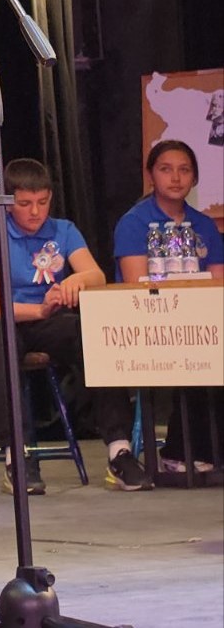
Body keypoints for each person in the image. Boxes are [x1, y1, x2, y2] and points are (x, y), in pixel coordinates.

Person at [0, 158, 150, 494]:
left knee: (92, 331)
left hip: (45, 321)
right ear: (9, 202)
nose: (35, 211)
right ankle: (17, 455)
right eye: (25, 204)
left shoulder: (63, 230)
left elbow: (96, 276)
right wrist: (39, 309)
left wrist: (77, 280)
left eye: (42, 201)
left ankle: (119, 449)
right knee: (0, 337)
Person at [114, 140, 224, 473]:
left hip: (200, 320)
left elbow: (217, 285)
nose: (176, 178)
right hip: (149, 321)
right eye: (166, 169)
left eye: (184, 170)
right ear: (150, 175)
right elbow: (137, 286)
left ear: (195, 178)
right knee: (199, 350)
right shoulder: (134, 222)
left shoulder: (203, 225)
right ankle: (179, 449)